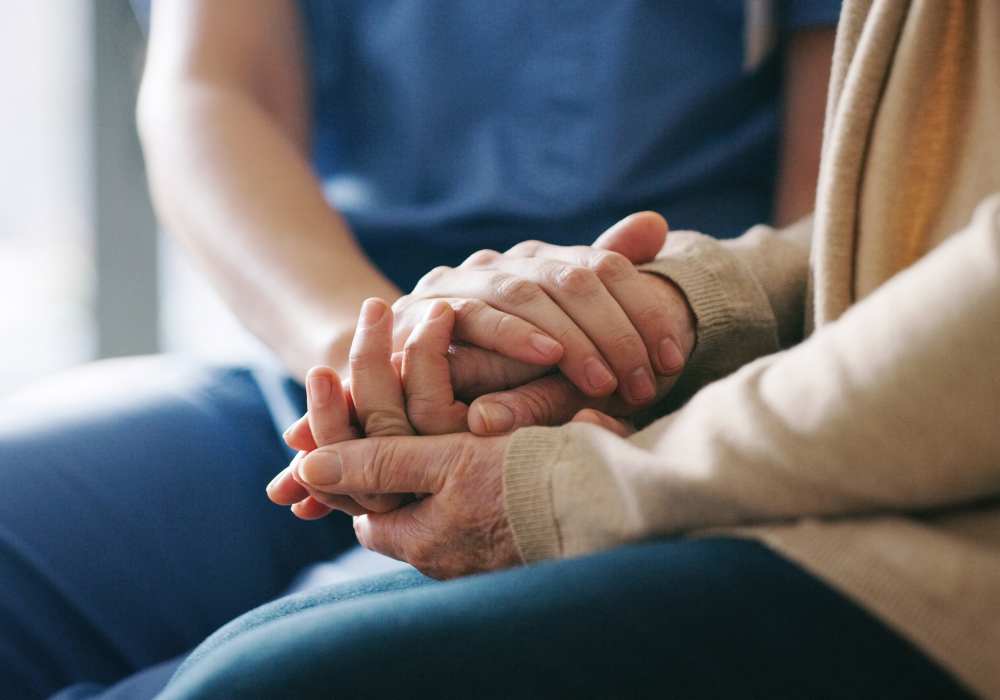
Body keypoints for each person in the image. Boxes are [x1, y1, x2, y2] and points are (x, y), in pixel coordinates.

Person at [158, 0, 999, 697]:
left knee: (245, 680)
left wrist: (579, 482)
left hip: (759, 446)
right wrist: (679, 300)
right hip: (368, 361)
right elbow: (893, 227)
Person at [1, 2, 842, 698]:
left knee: (226, 684)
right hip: (317, 366)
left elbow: (845, 204)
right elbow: (213, 90)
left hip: (650, 396)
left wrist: (632, 366)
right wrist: (376, 355)